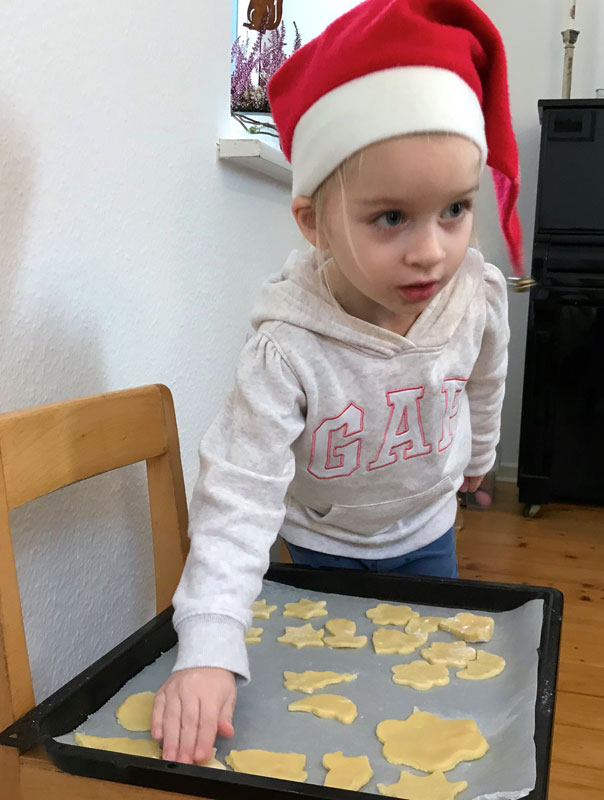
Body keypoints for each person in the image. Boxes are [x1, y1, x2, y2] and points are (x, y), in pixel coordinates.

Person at [151, 0, 524, 766]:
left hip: (427, 536)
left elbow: (486, 378)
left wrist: (480, 453)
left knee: (421, 703)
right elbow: (240, 492)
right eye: (391, 217)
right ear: (314, 221)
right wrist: (211, 643)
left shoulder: (476, 293)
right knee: (330, 716)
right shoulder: (286, 350)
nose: (432, 251)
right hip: (318, 545)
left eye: (455, 209)